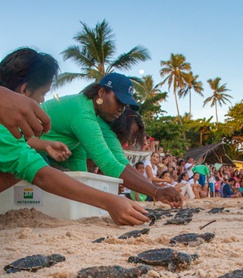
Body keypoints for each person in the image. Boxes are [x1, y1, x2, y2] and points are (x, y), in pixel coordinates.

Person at [0, 48, 149, 225]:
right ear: (25, 90)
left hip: (33, 153)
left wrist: (45, 145)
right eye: (42, 94)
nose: (42, 102)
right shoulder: (81, 112)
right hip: (34, 161)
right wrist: (109, 201)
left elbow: (93, 164)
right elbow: (43, 175)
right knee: (22, 169)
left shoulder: (89, 119)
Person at [40, 73, 182, 207]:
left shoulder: (88, 114)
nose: (121, 109)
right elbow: (109, 163)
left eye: (124, 105)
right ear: (101, 92)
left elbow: (79, 162)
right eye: (118, 101)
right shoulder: (83, 114)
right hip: (25, 148)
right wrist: (155, 191)